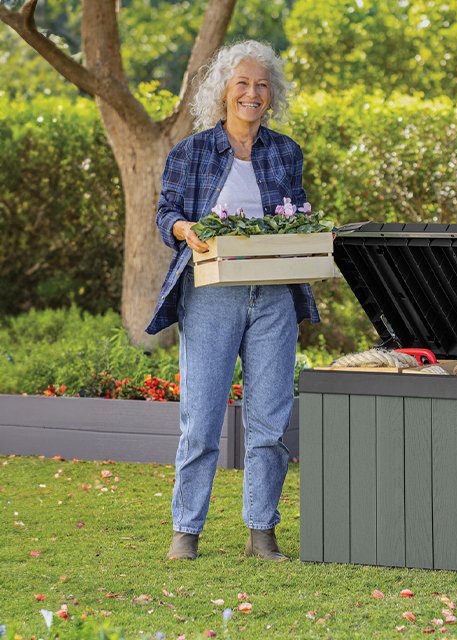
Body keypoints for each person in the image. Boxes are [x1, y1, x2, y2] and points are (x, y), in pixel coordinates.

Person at [145, 40, 320, 561]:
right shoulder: (192, 151)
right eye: (242, 83)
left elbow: (295, 214)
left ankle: (261, 533)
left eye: (262, 84)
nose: (252, 92)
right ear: (223, 91)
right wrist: (185, 228)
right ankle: (186, 531)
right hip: (212, 295)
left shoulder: (285, 152)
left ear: (272, 96)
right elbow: (166, 215)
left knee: (269, 420)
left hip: (274, 299)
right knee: (200, 420)